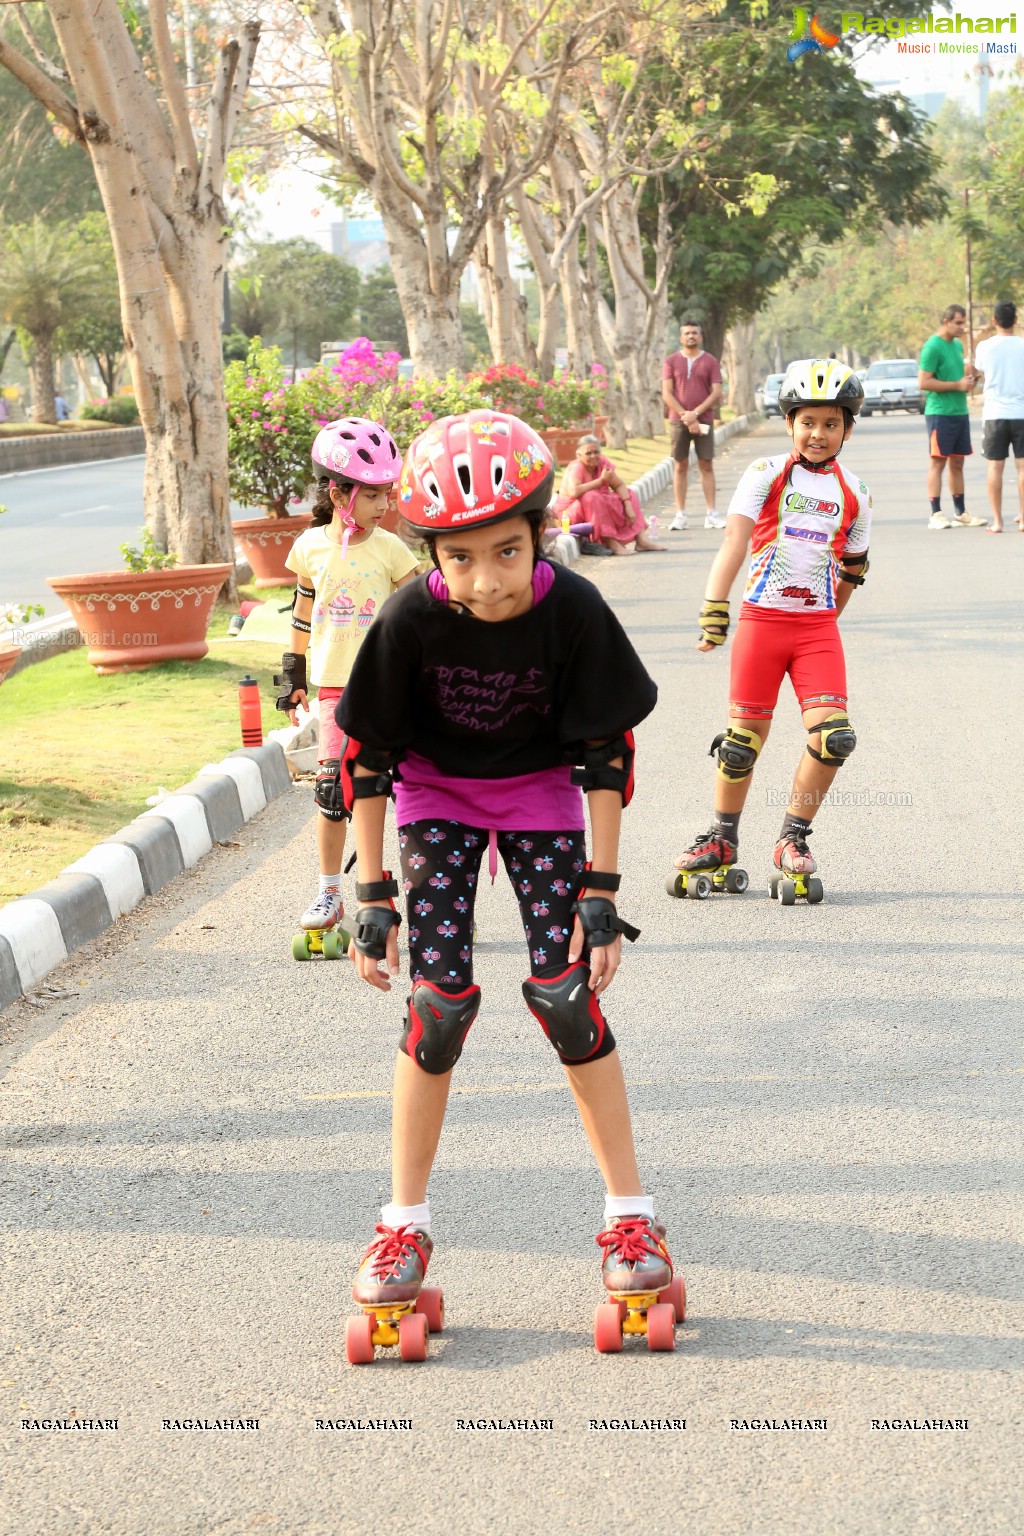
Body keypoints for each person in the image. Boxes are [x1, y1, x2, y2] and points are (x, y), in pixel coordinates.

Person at [336, 409, 679, 1352]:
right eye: (459, 558)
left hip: (537, 799)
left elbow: (607, 755)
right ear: (429, 552)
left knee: (566, 998)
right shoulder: (411, 615)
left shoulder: (572, 610)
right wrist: (372, 897)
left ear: (540, 533)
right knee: (437, 1007)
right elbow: (366, 760)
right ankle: (402, 1227)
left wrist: (601, 892)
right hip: (436, 800)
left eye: (507, 550)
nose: (484, 582)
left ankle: (631, 1214)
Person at [672, 360, 872, 897]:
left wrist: (827, 621)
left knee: (834, 737)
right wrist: (716, 608)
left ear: (847, 429)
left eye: (832, 423)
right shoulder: (765, 474)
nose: (818, 434)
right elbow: (734, 543)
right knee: (740, 744)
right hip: (761, 622)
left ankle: (793, 838)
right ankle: (721, 837)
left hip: (815, 631)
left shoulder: (856, 492)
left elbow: (853, 568)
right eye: (808, 421)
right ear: (790, 423)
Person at [275, 418, 419, 936]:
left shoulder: (391, 548)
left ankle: (428, 892)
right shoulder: (309, 547)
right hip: (335, 690)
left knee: (409, 792)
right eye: (375, 495)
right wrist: (291, 675)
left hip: (393, 689)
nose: (384, 505)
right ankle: (330, 890)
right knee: (333, 793)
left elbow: (419, 611)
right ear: (340, 493)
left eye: (388, 493)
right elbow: (299, 614)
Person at [919, 304, 985, 530]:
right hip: (940, 413)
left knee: (958, 462)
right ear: (945, 321)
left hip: (960, 412)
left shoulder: (956, 345)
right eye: (958, 323)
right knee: (938, 462)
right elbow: (924, 381)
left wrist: (968, 380)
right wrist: (957, 384)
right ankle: (935, 513)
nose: (961, 327)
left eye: (963, 323)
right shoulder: (932, 347)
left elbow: (959, 376)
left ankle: (961, 512)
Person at [551, 434, 666, 555]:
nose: (593, 456)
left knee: (628, 493)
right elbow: (574, 492)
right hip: (568, 515)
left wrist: (628, 505)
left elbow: (619, 485)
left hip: (594, 507)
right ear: (579, 455)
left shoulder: (602, 463)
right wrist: (600, 481)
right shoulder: (577, 467)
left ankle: (641, 540)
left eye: (596, 452)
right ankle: (611, 542)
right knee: (592, 496)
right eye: (588, 453)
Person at [661, 319, 724, 531]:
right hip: (678, 421)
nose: (691, 336)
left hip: (704, 419)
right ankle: (680, 514)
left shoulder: (711, 361)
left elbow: (716, 392)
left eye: (694, 333)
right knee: (680, 465)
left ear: (701, 336)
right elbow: (667, 393)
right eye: (687, 333)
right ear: (681, 337)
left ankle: (712, 514)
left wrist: (695, 414)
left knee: (706, 464)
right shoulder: (671, 361)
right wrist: (685, 416)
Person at [972, 300, 1024, 533]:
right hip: (1021, 412)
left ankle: (997, 521)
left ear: (994, 320)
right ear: (1015, 320)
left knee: (995, 467)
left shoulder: (985, 347)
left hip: (995, 414)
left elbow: (980, 371)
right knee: (1022, 467)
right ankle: (1023, 518)